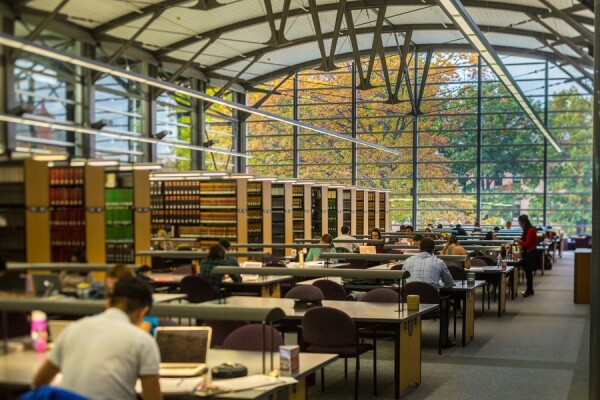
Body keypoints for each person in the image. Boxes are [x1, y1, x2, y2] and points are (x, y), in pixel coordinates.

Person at [32, 277, 162, 400]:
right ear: (143, 311)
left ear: (108, 302)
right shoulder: (143, 341)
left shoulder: (73, 329)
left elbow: (38, 382)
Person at [104, 264, 158, 335]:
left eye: (117, 290)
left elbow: (140, 334)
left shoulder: (143, 302)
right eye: (109, 290)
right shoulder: (107, 304)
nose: (112, 296)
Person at [516, 214, 538, 297]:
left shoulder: (531, 230)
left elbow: (527, 243)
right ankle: (530, 289)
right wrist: (518, 240)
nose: (519, 225)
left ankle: (529, 290)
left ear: (524, 222)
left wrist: (519, 242)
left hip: (530, 253)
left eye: (520, 223)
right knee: (527, 273)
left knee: (528, 273)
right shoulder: (526, 230)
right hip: (527, 253)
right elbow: (523, 239)